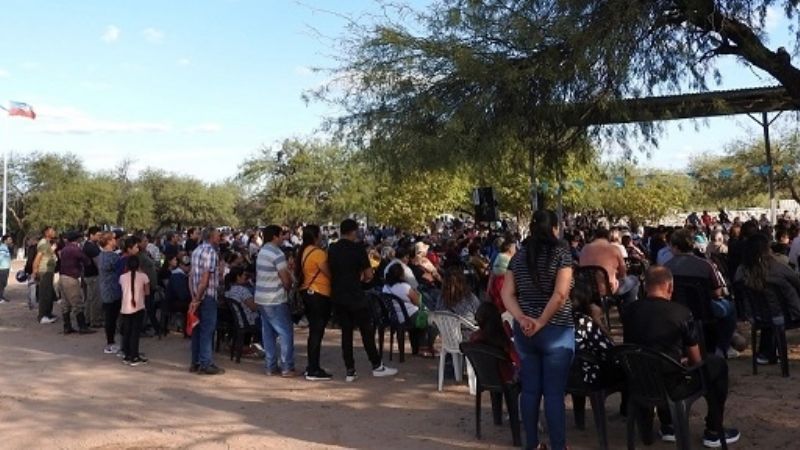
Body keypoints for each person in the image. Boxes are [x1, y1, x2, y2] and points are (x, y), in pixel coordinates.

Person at [624, 266, 740, 447]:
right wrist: (683, 360)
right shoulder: (681, 313)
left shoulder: (629, 310)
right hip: (672, 387)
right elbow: (696, 361)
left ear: (645, 286)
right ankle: (713, 430)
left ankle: (668, 424)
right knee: (716, 365)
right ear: (670, 286)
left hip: (639, 381)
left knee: (662, 364)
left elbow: (633, 345)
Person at [501, 210, 574, 450]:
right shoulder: (561, 253)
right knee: (554, 394)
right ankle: (558, 446)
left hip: (525, 332)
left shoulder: (518, 257)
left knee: (530, 390)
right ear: (554, 228)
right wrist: (541, 321)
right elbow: (560, 294)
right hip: (556, 329)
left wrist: (522, 318)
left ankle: (531, 444)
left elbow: (506, 293)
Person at [328, 218, 397, 382]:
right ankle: (376, 365)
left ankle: (350, 370)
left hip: (338, 295)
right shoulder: (358, 248)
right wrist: (363, 278)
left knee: (346, 333)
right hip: (355, 294)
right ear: (353, 231)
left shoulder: (333, 248)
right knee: (366, 330)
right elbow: (369, 275)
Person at [664, 228, 736, 357]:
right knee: (730, 308)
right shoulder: (706, 265)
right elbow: (717, 292)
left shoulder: (665, 268)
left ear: (675, 246)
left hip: (675, 309)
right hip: (703, 310)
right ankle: (722, 347)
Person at [734, 233, 800, 364]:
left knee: (769, 309)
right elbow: (797, 283)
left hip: (757, 315)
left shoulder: (741, 271)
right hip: (787, 315)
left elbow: (737, 288)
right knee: (775, 308)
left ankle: (767, 353)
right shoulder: (778, 268)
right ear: (767, 249)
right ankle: (768, 352)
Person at [254, 225, 295, 377]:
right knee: (285, 332)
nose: (283, 238)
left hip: (262, 297)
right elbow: (285, 280)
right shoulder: (277, 253)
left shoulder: (262, 251)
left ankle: (270, 366)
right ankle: (286, 367)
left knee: (268, 333)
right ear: (275, 236)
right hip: (275, 298)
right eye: (281, 235)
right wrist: (290, 282)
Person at [296, 224, 334, 381]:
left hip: (309, 292)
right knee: (317, 332)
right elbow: (329, 272)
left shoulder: (304, 251)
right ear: (316, 236)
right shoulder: (318, 253)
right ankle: (313, 369)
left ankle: (312, 366)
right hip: (319, 293)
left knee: (314, 332)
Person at [188, 227, 225, 375]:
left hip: (196, 294)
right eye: (217, 235)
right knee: (207, 331)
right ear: (211, 237)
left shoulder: (196, 251)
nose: (219, 237)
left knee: (197, 329)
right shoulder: (210, 252)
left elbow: (191, 276)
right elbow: (205, 279)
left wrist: (193, 297)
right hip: (207, 296)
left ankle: (195, 362)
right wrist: (198, 298)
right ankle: (206, 363)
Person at [580, 227, 639, 307]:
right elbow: (623, 274)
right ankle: (627, 310)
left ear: (594, 237)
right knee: (634, 280)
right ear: (608, 237)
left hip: (588, 289)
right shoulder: (614, 249)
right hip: (607, 289)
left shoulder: (584, 249)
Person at [469, 302, 520, 383]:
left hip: (483, 376)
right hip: (505, 378)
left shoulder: (474, 338)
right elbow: (517, 360)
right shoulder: (502, 338)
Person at [59, 231, 96, 335]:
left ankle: (67, 326)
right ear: (77, 239)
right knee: (77, 302)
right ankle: (82, 326)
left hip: (62, 277)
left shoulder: (65, 249)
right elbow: (87, 261)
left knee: (65, 303)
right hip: (71, 278)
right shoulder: (76, 249)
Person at [119, 255, 149, 366]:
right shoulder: (143, 276)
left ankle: (127, 354)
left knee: (127, 332)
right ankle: (134, 356)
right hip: (138, 307)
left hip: (125, 308)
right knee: (135, 333)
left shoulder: (122, 277)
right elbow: (147, 292)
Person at [98, 232, 122, 354]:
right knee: (111, 317)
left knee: (110, 317)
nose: (115, 241)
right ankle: (111, 342)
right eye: (113, 239)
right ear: (108, 241)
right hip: (113, 289)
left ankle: (110, 341)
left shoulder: (101, 255)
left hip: (105, 288)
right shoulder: (113, 257)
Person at [33, 226, 59, 324]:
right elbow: (38, 258)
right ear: (46, 232)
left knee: (49, 293)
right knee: (44, 294)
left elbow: (47, 255)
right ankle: (42, 316)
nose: (54, 232)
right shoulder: (43, 243)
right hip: (44, 271)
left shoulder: (48, 243)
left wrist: (52, 251)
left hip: (49, 270)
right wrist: (35, 271)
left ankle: (48, 314)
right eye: (52, 231)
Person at [83, 227, 103, 328]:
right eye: (98, 235)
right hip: (93, 276)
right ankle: (95, 320)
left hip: (88, 275)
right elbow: (98, 263)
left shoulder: (88, 245)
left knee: (90, 299)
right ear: (91, 235)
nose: (99, 237)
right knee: (95, 299)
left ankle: (88, 319)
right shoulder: (91, 248)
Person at [0, 235, 12, 303]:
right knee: (1, 283)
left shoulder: (5, 247)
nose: (11, 241)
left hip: (5, 268)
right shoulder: (3, 248)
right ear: (5, 240)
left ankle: (1, 296)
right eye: (9, 239)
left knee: (3, 283)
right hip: (2, 268)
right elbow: (0, 258)